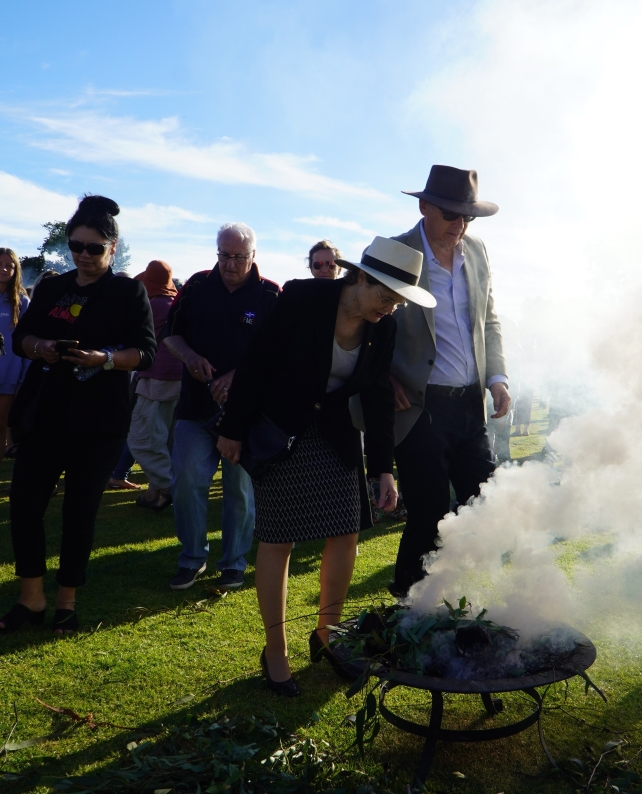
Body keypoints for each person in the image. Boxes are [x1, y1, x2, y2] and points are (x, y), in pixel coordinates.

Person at [216, 236, 433, 696]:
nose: (389, 308)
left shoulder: (384, 328)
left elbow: (375, 396)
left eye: (398, 302)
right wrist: (232, 429)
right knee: (279, 537)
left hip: (333, 432)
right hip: (278, 429)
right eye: (385, 296)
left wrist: (384, 468)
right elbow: (256, 362)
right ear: (360, 277)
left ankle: (328, 635)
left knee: (347, 529)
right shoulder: (302, 296)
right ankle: (275, 649)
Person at [0, 195, 156, 634]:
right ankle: (30, 598)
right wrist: (42, 348)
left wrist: (103, 358)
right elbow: (22, 338)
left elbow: (146, 352)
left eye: (93, 247)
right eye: (76, 246)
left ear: (112, 246)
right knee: (26, 504)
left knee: (79, 510)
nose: (83, 255)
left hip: (99, 420)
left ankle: (67, 600)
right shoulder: (52, 287)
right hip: (44, 413)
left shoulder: (128, 291)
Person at [386, 165, 511, 597]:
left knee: (487, 496)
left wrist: (497, 377)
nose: (460, 225)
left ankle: (449, 594)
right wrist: (383, 377)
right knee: (430, 511)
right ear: (424, 207)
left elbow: (488, 321)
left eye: (468, 217)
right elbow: (360, 320)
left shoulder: (476, 251)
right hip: (419, 407)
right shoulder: (394, 251)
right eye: (452, 215)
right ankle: (409, 603)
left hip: (469, 403)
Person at [162, 223, 280, 592]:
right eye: (224, 255)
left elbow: (280, 353)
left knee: (240, 493)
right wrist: (191, 356)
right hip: (195, 408)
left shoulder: (271, 295)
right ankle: (192, 558)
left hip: (245, 415)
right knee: (186, 483)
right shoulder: (196, 286)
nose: (230, 264)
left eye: (238, 257)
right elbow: (169, 334)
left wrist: (238, 376)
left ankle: (234, 563)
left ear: (253, 256)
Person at [128, 261, 183, 511]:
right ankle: (155, 494)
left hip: (156, 379)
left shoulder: (152, 305)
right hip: (177, 379)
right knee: (167, 440)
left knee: (142, 439)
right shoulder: (174, 304)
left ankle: (169, 487)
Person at [0, 249, 31, 456]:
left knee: (2, 425)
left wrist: (24, 379)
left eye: (9, 265)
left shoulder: (22, 302)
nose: (3, 269)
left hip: (9, 374)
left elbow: (28, 343)